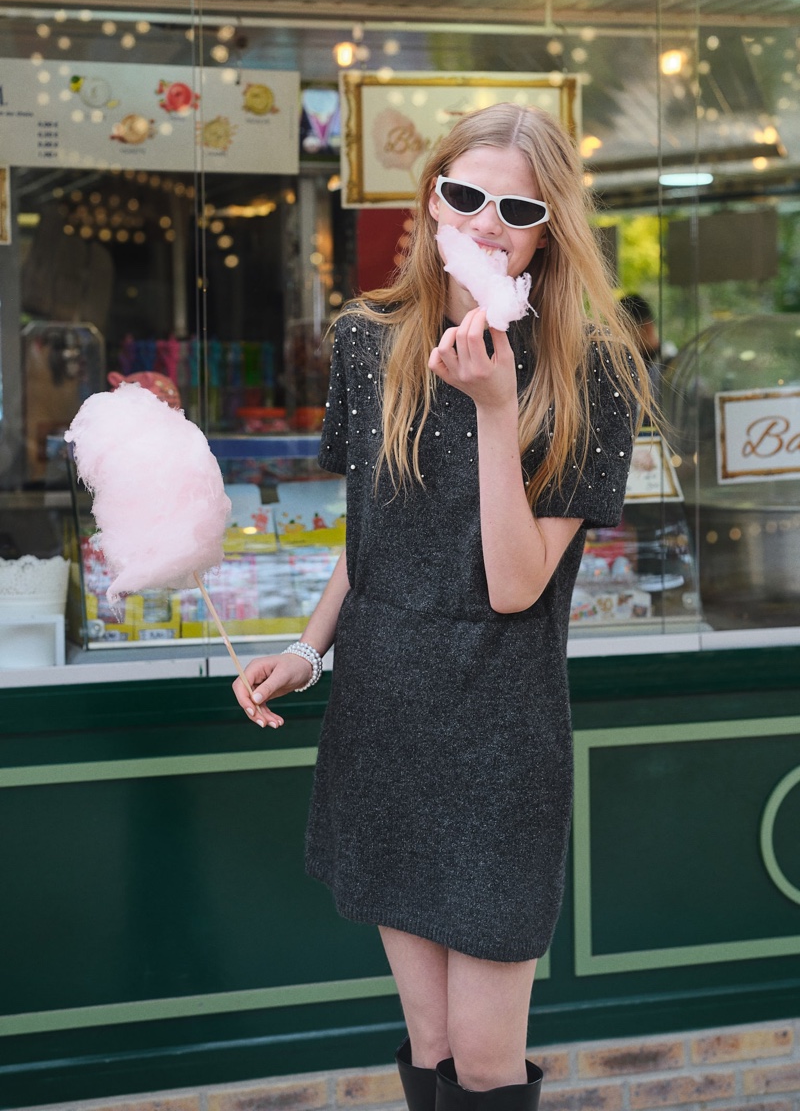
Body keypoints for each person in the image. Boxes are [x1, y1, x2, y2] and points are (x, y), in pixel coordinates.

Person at [233, 103, 649, 1111]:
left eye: (517, 207)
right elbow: (374, 530)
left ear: (548, 228)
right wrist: (307, 644)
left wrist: (497, 410)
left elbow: (514, 586)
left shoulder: (587, 373)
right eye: (464, 196)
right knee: (425, 1036)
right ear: (430, 201)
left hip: (497, 723)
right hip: (383, 705)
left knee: (483, 1054)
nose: (486, 223)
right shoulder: (368, 340)